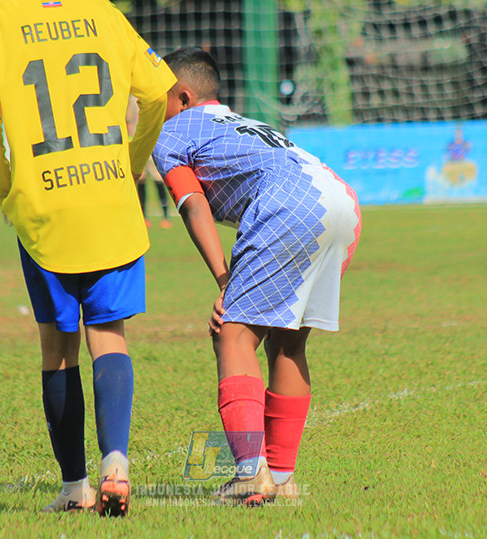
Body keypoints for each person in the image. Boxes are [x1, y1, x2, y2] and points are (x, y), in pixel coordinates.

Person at [0, 0, 174, 517]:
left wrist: (7, 185)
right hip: (109, 201)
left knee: (58, 348)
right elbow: (158, 93)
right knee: (110, 337)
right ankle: (117, 462)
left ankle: (75, 487)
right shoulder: (103, 11)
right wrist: (128, 164)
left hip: (44, 206)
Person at [152, 47, 361, 506]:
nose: (151, 105)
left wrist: (224, 279)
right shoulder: (240, 123)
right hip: (342, 202)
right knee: (288, 342)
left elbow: (192, 204)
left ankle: (250, 473)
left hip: (289, 206)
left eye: (156, 96)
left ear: (182, 97)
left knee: (232, 335)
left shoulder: (170, 131)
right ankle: (282, 479)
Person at [126, 96, 172, 229]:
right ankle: (145, 217)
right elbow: (129, 120)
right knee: (142, 179)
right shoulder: (134, 98)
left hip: (149, 142)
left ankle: (165, 216)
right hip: (139, 141)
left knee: (157, 179)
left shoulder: (145, 96)